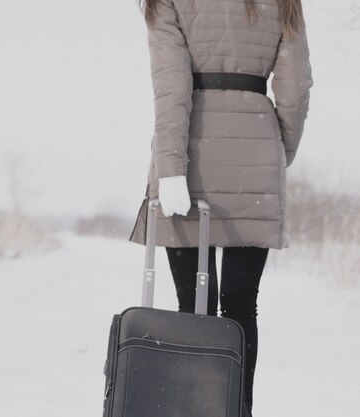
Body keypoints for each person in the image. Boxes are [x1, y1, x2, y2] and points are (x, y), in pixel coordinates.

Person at [127, 0, 313, 415]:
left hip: (189, 160)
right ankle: (236, 407)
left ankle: (192, 406)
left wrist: (171, 168)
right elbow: (294, 85)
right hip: (256, 156)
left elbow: (171, 84)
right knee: (241, 304)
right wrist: (278, 148)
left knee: (194, 307)